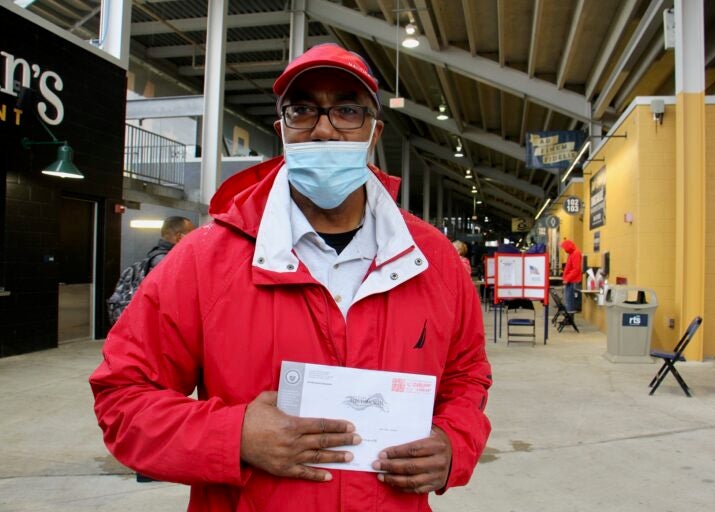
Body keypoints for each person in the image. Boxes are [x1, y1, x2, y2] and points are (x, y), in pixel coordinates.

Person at [90, 43, 492, 512]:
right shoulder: (205, 261)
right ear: (282, 129)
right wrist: (234, 435)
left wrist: (453, 443)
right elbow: (122, 397)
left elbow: (467, 377)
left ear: (374, 131)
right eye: (302, 110)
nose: (323, 127)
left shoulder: (432, 260)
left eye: (346, 109)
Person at [561, 239, 583, 313]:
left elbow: (576, 269)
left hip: (573, 281)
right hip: (571, 281)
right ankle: (569, 318)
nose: (564, 250)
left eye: (565, 248)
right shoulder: (571, 254)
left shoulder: (576, 253)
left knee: (570, 302)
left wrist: (567, 278)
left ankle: (570, 319)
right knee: (569, 302)